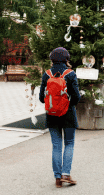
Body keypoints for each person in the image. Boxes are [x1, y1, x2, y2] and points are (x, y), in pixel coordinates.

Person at [39, 47, 81, 188]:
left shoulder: (47, 74)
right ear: (66, 59)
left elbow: (41, 98)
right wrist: (68, 104)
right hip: (68, 114)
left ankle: (57, 178)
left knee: (56, 145)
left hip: (51, 114)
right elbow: (76, 97)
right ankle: (65, 174)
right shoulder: (70, 74)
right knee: (69, 144)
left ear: (51, 59)